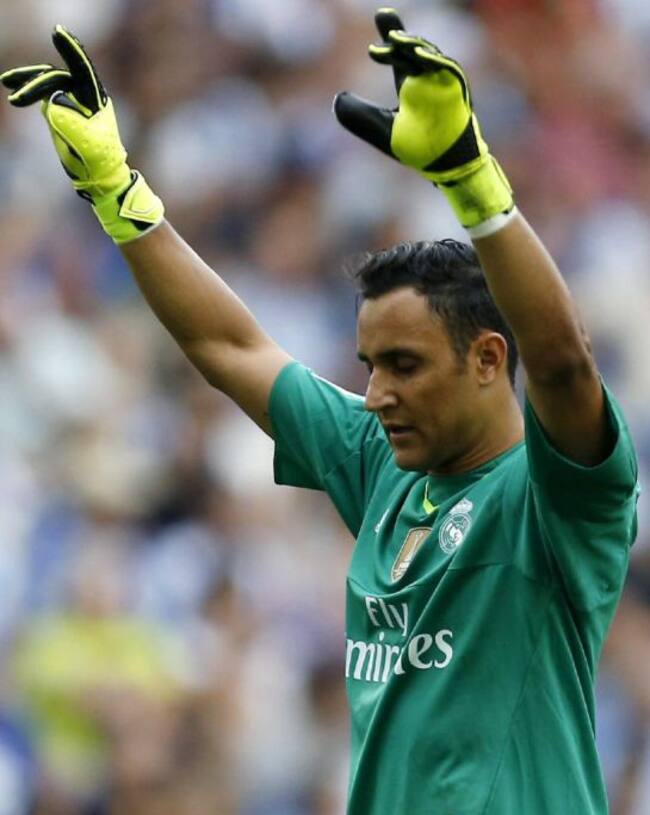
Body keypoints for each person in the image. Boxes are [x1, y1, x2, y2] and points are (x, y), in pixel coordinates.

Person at [1, 8, 639, 814]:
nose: (375, 395)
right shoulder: (382, 463)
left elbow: (562, 359)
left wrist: (474, 185)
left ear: (487, 359)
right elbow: (231, 347)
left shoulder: (561, 500)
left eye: (404, 367)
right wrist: (116, 192)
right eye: (371, 366)